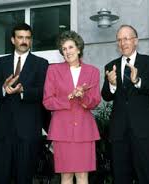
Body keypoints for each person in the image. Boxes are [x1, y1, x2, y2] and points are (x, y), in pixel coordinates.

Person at [0, 23, 49, 184]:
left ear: (31, 40)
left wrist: (23, 90)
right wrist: (3, 88)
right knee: (1, 177)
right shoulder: (0, 63)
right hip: (2, 133)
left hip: (28, 132)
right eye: (20, 37)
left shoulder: (41, 64)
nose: (24, 41)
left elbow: (45, 92)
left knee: (24, 178)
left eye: (27, 38)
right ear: (13, 40)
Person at [101, 24, 149, 184]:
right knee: (121, 177)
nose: (123, 43)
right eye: (119, 40)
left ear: (136, 41)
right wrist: (112, 84)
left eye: (126, 38)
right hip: (119, 133)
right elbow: (106, 96)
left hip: (144, 131)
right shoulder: (110, 66)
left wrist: (138, 81)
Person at [43, 30, 101, 184]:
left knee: (83, 176)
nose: (67, 52)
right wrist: (67, 99)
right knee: (66, 176)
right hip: (61, 131)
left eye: (70, 47)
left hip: (84, 131)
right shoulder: (53, 70)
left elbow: (95, 101)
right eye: (64, 49)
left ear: (79, 48)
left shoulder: (93, 71)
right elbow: (47, 101)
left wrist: (82, 96)